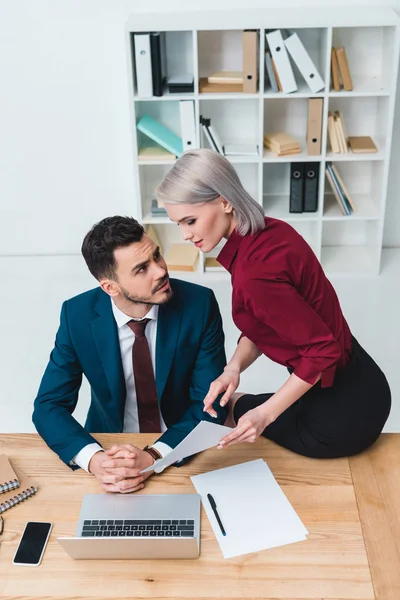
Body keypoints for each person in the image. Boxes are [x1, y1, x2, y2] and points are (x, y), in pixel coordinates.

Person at [156, 148, 391, 459]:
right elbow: (269, 319)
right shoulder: (271, 229)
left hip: (336, 420)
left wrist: (264, 415)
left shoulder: (254, 274)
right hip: (368, 383)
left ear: (225, 201)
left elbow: (322, 351)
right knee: (237, 401)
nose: (185, 235)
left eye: (190, 221)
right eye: (179, 224)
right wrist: (233, 368)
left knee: (232, 410)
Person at [33, 216, 227, 492]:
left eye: (157, 256)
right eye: (141, 269)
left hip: (179, 444)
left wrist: (154, 456)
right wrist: (95, 460)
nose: (160, 271)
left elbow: (210, 403)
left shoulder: (199, 304)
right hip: (107, 444)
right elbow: (48, 406)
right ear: (110, 287)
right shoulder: (77, 316)